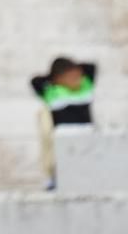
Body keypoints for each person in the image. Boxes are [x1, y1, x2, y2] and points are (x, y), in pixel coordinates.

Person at [30, 57, 96, 188]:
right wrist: (55, 79)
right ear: (58, 78)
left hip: (87, 141)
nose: (76, 78)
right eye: (70, 76)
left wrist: (75, 68)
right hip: (63, 145)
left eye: (77, 74)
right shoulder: (52, 92)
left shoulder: (86, 86)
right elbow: (35, 81)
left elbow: (91, 67)